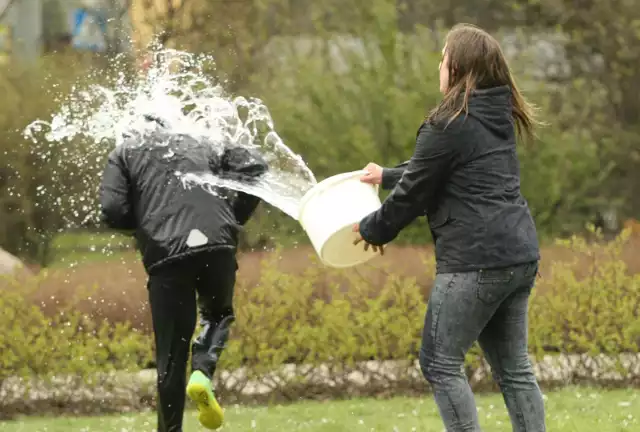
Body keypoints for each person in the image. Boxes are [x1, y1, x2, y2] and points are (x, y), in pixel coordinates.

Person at [354, 23, 546, 432]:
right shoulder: (494, 115)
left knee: (439, 361)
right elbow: (439, 170)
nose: (438, 65)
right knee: (513, 369)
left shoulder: (448, 121)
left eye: (442, 58)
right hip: (519, 256)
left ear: (456, 67)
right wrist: (387, 174)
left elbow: (415, 194)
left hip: (475, 261)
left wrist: (372, 229)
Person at [99, 117, 268, 432]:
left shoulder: (124, 151)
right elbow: (255, 166)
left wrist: (143, 225)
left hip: (167, 255)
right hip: (218, 244)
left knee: (172, 355)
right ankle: (203, 372)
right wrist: (233, 216)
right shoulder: (200, 139)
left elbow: (111, 209)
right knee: (217, 315)